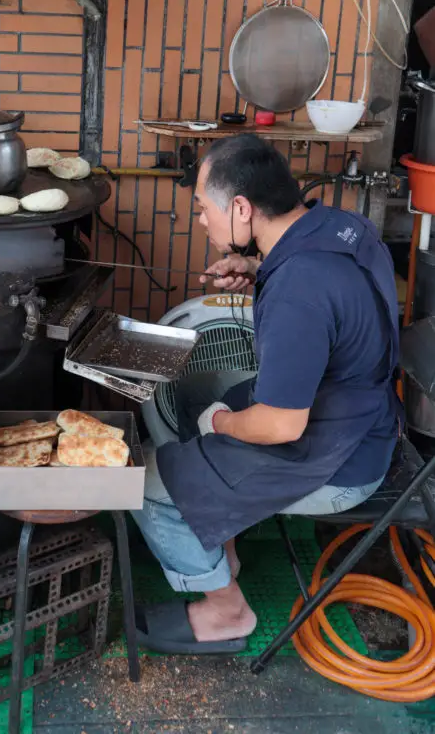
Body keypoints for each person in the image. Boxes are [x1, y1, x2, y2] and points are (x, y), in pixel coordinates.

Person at [133, 134, 401, 655]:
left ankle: (224, 612)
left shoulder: (300, 290)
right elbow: (333, 300)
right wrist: (260, 270)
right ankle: (220, 545)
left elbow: (281, 427)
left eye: (203, 209)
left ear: (240, 207)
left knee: (144, 483)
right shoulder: (339, 227)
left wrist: (221, 425)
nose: (202, 221)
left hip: (339, 462)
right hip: (364, 417)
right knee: (211, 392)